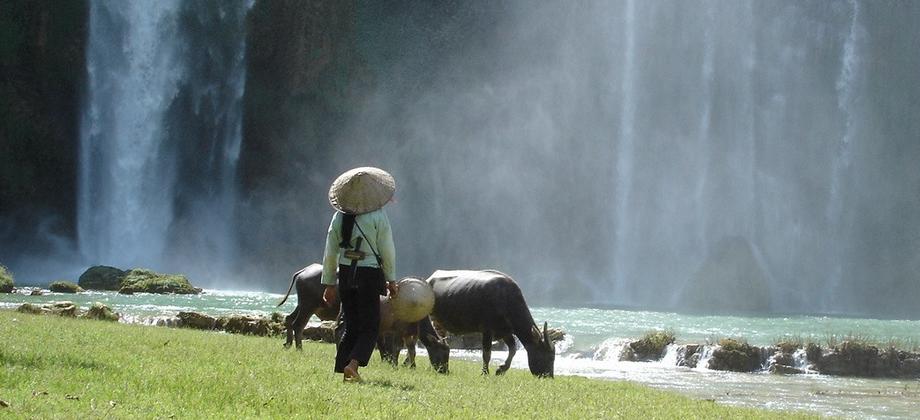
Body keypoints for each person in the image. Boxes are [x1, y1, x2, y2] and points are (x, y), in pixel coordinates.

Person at [321, 167, 399, 382]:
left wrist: (329, 283)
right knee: (371, 325)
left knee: (352, 323)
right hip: (369, 274)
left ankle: (344, 369)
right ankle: (353, 365)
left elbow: (330, 252)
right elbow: (387, 250)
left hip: (346, 274)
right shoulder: (378, 216)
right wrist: (392, 279)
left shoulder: (339, 217)